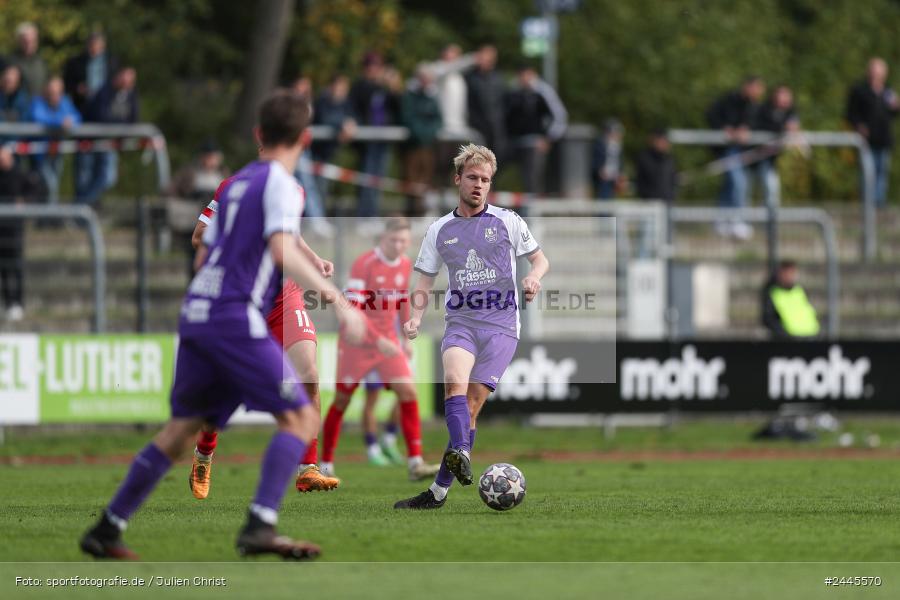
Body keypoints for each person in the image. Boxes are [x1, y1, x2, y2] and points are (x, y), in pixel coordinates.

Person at [79, 89, 365, 561]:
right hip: (234, 313)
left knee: (179, 431)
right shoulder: (279, 182)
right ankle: (260, 525)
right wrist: (338, 301)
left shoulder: (236, 183)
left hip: (198, 308)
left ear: (259, 134)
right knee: (299, 417)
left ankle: (107, 528)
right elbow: (281, 248)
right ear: (306, 138)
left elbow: (208, 241)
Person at [394, 144, 549, 509]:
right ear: (458, 180)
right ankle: (461, 451)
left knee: (472, 405)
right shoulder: (439, 230)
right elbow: (423, 282)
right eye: (473, 178)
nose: (479, 185)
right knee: (453, 386)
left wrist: (534, 279)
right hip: (461, 322)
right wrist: (414, 316)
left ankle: (437, 493)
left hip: (501, 326)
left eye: (485, 180)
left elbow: (540, 261)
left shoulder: (508, 221)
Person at [186, 147, 341, 498]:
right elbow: (199, 235)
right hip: (243, 299)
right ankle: (204, 452)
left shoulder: (293, 189)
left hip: (283, 295)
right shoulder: (232, 188)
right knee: (225, 390)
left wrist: (313, 259)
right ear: (262, 146)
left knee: (309, 374)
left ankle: (307, 468)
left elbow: (287, 235)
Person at [320, 217, 441, 481]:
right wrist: (379, 341)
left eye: (404, 242)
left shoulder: (406, 264)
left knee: (408, 392)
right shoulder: (364, 264)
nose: (398, 246)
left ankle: (415, 462)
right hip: (356, 344)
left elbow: (401, 301)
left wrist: (406, 339)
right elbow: (353, 312)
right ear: (383, 238)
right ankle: (326, 462)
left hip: (387, 342)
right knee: (342, 400)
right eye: (394, 240)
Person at [706, 76, 766, 239]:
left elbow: (757, 123)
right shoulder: (730, 100)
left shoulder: (756, 106)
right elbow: (712, 115)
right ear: (747, 86)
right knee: (738, 182)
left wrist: (747, 131)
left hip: (745, 151)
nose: (758, 92)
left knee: (732, 183)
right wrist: (727, 129)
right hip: (729, 149)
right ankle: (736, 220)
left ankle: (723, 218)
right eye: (756, 87)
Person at [77, 66, 139, 206]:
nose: (127, 83)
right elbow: (103, 117)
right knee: (85, 179)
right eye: (124, 78)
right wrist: (121, 124)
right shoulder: (104, 92)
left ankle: (81, 206)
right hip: (89, 141)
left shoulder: (131, 95)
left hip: (109, 143)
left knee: (107, 178)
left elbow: (134, 119)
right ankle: (82, 207)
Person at [349, 52, 398, 218]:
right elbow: (358, 105)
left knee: (379, 178)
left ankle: (373, 213)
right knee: (366, 177)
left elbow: (398, 106)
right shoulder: (360, 87)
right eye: (370, 67)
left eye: (377, 67)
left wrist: (394, 87)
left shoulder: (385, 89)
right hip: (367, 139)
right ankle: (364, 214)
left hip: (383, 138)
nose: (374, 70)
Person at [505, 65, 568, 195]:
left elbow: (560, 116)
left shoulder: (543, 92)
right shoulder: (513, 92)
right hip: (514, 142)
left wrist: (548, 138)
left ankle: (532, 212)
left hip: (534, 143)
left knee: (532, 180)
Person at [846, 57, 900, 208]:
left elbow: (893, 113)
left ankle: (879, 203)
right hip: (866, 140)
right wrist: (859, 126)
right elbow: (851, 114)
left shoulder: (888, 91)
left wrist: (896, 106)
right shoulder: (859, 90)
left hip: (883, 138)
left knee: (882, 172)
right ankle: (867, 204)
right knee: (867, 173)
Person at [0, 146, 44, 322]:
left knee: (16, 267)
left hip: (15, 229)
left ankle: (18, 302)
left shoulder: (20, 174)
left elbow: (37, 190)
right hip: (0, 230)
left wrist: (25, 202)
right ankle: (8, 303)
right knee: (3, 269)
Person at [28, 76, 81, 205]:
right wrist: (60, 122)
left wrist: (70, 122)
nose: (54, 96)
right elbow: (38, 118)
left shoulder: (65, 102)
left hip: (57, 151)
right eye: (51, 92)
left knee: (54, 182)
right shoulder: (38, 102)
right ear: (46, 91)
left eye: (58, 92)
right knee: (49, 184)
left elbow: (77, 117)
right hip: (39, 152)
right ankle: (50, 214)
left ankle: (47, 216)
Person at [400, 64, 443, 216]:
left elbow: (438, 120)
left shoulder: (433, 97)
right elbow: (409, 119)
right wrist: (423, 134)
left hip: (428, 146)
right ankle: (413, 214)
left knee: (427, 180)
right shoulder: (409, 96)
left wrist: (428, 134)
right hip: (413, 146)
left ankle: (424, 213)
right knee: (412, 181)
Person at [753, 85, 799, 211]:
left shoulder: (791, 112)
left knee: (771, 189)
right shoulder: (764, 110)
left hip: (773, 160)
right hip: (757, 157)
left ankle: (770, 221)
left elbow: (793, 127)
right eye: (782, 95)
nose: (785, 99)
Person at [634, 129, 677, 257]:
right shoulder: (645, 158)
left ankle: (665, 269)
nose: (664, 144)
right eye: (662, 141)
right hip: (650, 205)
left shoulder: (669, 159)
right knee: (645, 241)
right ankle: (642, 266)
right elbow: (646, 180)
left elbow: (671, 181)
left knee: (666, 242)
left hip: (667, 205)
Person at [465, 45, 508, 160]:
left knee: (494, 160)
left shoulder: (498, 78)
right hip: (476, 126)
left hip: (496, 127)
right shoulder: (469, 77)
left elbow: (503, 103)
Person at [761, 260, 820, 338]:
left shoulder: (799, 290)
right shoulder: (772, 293)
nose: (790, 276)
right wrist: (784, 335)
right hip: (788, 340)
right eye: (787, 273)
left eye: (792, 273)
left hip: (810, 336)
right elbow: (769, 319)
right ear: (780, 274)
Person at [64, 32, 117, 115]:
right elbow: (67, 84)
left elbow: (115, 83)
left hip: (105, 106)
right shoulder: (75, 63)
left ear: (103, 46)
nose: (94, 48)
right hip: (82, 105)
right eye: (91, 45)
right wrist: (77, 89)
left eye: (97, 45)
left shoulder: (112, 62)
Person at [9, 22, 47, 97]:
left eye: (33, 41)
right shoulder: (10, 62)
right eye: (25, 41)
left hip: (39, 105)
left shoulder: (41, 62)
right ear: (19, 41)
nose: (29, 44)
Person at [592, 118, 625, 200]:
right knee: (603, 200)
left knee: (611, 200)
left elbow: (619, 162)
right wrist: (599, 171)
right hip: (603, 179)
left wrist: (620, 175)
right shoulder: (599, 144)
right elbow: (594, 161)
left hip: (614, 179)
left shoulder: (617, 146)